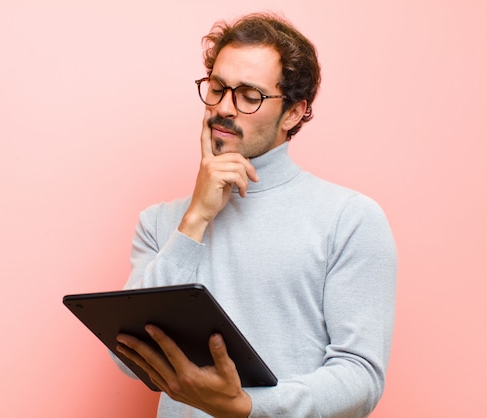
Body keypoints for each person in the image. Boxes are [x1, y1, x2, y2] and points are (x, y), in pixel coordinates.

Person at [114, 11, 397, 418]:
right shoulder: (160, 223)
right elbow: (127, 360)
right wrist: (195, 218)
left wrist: (248, 407)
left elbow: (361, 377)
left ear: (294, 112)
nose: (224, 107)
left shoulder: (350, 219)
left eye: (249, 95)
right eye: (217, 88)